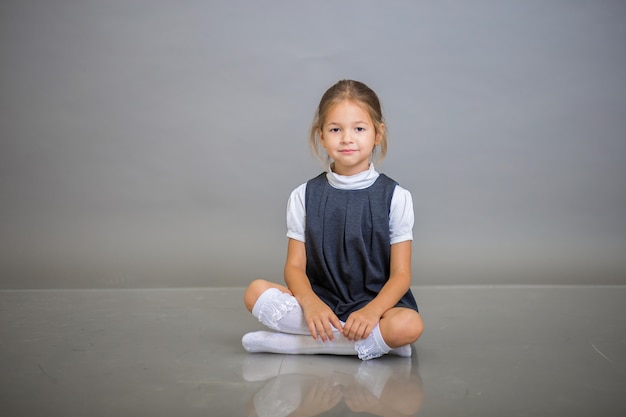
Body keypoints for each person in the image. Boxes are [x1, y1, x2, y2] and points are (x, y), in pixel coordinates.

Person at [242, 79, 423, 360]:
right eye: (336, 129)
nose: (347, 138)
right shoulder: (304, 195)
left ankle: (300, 344)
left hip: (377, 306)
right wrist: (310, 303)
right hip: (321, 302)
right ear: (322, 136)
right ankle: (358, 342)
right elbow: (294, 267)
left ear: (378, 134)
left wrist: (372, 311)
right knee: (255, 291)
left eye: (359, 129)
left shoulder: (396, 196)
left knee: (409, 324)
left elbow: (401, 275)